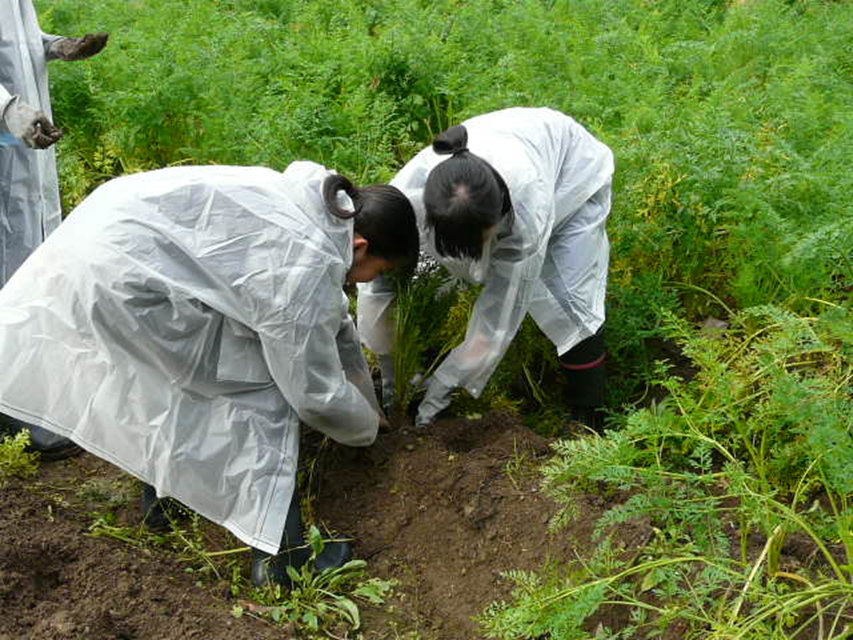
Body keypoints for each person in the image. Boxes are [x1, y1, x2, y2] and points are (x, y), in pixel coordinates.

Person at [0, 161, 420, 586]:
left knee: (180, 377)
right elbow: (313, 393)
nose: (369, 281)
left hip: (104, 243)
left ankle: (166, 501)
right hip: (123, 279)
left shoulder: (316, 210)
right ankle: (283, 561)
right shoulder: (305, 267)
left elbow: (334, 324)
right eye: (379, 273)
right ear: (362, 246)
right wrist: (365, 429)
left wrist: (367, 397)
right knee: (263, 390)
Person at [358, 107, 614, 430]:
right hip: (514, 149)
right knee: (421, 277)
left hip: (571, 176)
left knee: (570, 301)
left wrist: (447, 384)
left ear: (498, 221)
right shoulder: (410, 194)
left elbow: (498, 318)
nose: (477, 270)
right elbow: (380, 286)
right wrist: (392, 366)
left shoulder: (527, 213)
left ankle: (586, 417)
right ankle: (421, 368)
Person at [1, 0, 108, 459]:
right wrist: (10, 113)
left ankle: (36, 412)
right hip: (9, 149)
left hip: (23, 155)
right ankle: (20, 424)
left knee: (32, 279)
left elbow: (18, 47)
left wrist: (59, 47)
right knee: (11, 287)